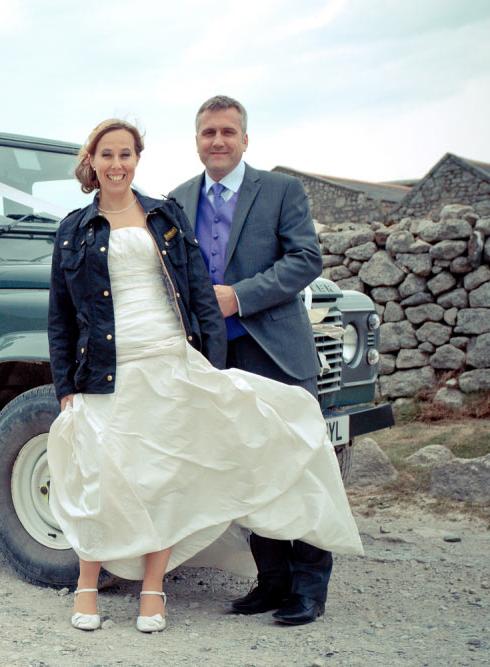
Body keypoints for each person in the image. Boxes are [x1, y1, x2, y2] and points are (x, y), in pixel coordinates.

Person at [48, 119, 362, 634]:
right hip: (107, 368)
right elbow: (59, 316)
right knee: (102, 476)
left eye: (126, 153)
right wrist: (65, 385)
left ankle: (174, 589)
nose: (117, 163)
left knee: (173, 475)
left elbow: (199, 292)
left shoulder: (166, 215)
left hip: (178, 359)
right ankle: (92, 586)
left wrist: (209, 368)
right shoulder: (76, 229)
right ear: (93, 160)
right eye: (107, 154)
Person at [168, 94, 337, 626]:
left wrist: (237, 296)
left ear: (245, 139)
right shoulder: (177, 199)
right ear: (196, 140)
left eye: (227, 132)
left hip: (277, 351)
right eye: (207, 133)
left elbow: (306, 258)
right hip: (216, 358)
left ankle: (309, 588)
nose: (217, 141)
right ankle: (272, 581)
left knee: (295, 467)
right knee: (245, 469)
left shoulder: (281, 190)